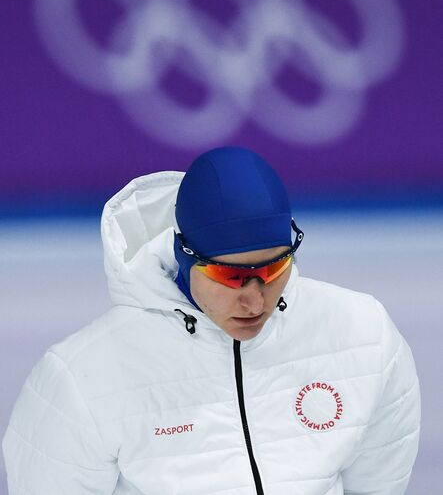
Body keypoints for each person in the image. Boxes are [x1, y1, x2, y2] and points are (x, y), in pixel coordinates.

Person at [2, 147, 420, 494]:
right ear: (185, 257)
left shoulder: (363, 336)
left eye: (274, 269)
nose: (254, 300)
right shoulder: (82, 376)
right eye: (230, 276)